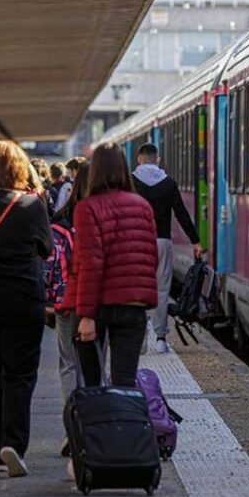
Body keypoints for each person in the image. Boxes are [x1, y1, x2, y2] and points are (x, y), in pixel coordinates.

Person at [0, 141, 53, 477]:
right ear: (20, 169)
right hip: (23, 299)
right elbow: (45, 249)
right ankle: (13, 445)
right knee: (19, 375)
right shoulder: (32, 206)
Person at [73, 142, 158, 388]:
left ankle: (100, 426)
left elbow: (91, 263)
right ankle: (126, 425)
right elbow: (151, 255)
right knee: (125, 382)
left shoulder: (87, 207)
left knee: (92, 384)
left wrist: (86, 315)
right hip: (134, 306)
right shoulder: (142, 206)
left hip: (99, 306)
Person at [133, 143, 204, 354]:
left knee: (138, 290)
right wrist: (196, 241)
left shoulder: (130, 182)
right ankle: (161, 339)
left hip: (137, 242)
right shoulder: (168, 183)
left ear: (139, 159)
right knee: (162, 289)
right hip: (162, 241)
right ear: (158, 159)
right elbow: (181, 214)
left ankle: (141, 336)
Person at [48, 162, 89, 456]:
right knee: (95, 363)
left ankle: (71, 429)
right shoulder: (104, 214)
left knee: (69, 365)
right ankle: (92, 428)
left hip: (66, 302)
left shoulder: (61, 221)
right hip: (98, 302)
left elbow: (51, 264)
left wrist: (49, 300)